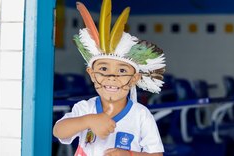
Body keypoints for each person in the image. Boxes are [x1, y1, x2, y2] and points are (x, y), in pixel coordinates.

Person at [53, 0, 166, 155]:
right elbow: (59, 131)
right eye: (103, 69)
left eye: (121, 71)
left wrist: (129, 154)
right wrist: (88, 120)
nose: (111, 77)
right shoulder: (85, 108)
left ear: (134, 79)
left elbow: (156, 154)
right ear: (92, 74)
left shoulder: (141, 115)